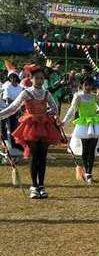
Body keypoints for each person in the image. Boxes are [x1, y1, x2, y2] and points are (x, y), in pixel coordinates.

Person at [0, 65, 65, 198]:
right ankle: (34, 186)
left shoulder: (46, 93)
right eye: (37, 78)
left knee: (43, 157)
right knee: (34, 157)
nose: (40, 81)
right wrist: (0, 115)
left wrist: (47, 113)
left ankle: (41, 186)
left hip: (45, 126)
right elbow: (13, 108)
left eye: (42, 78)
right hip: (31, 127)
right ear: (31, 78)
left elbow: (54, 108)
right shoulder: (26, 93)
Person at [60, 76, 99, 184]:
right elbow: (72, 110)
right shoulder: (78, 96)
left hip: (94, 123)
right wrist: (64, 122)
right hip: (83, 125)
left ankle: (89, 173)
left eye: (90, 85)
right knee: (85, 149)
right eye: (86, 85)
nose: (88, 87)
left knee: (92, 149)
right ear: (82, 85)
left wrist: (97, 113)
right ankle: (85, 169)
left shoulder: (95, 96)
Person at [1, 72, 23, 156]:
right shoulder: (8, 87)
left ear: (17, 78)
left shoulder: (20, 88)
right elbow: (8, 99)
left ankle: (17, 144)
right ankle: (12, 145)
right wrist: (17, 103)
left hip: (18, 110)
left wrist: (19, 106)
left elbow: (22, 98)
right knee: (11, 128)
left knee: (18, 127)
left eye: (14, 77)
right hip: (9, 110)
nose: (13, 79)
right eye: (11, 77)